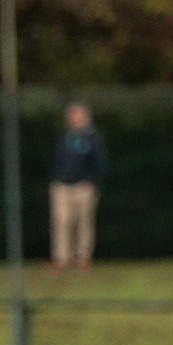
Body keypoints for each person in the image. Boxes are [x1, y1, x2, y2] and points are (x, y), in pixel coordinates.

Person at [49, 102, 107, 269]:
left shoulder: (93, 139)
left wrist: (92, 181)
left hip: (84, 187)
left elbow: (100, 163)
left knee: (84, 223)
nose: (74, 120)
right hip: (62, 186)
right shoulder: (64, 138)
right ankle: (61, 258)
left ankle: (83, 257)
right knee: (61, 222)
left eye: (78, 117)